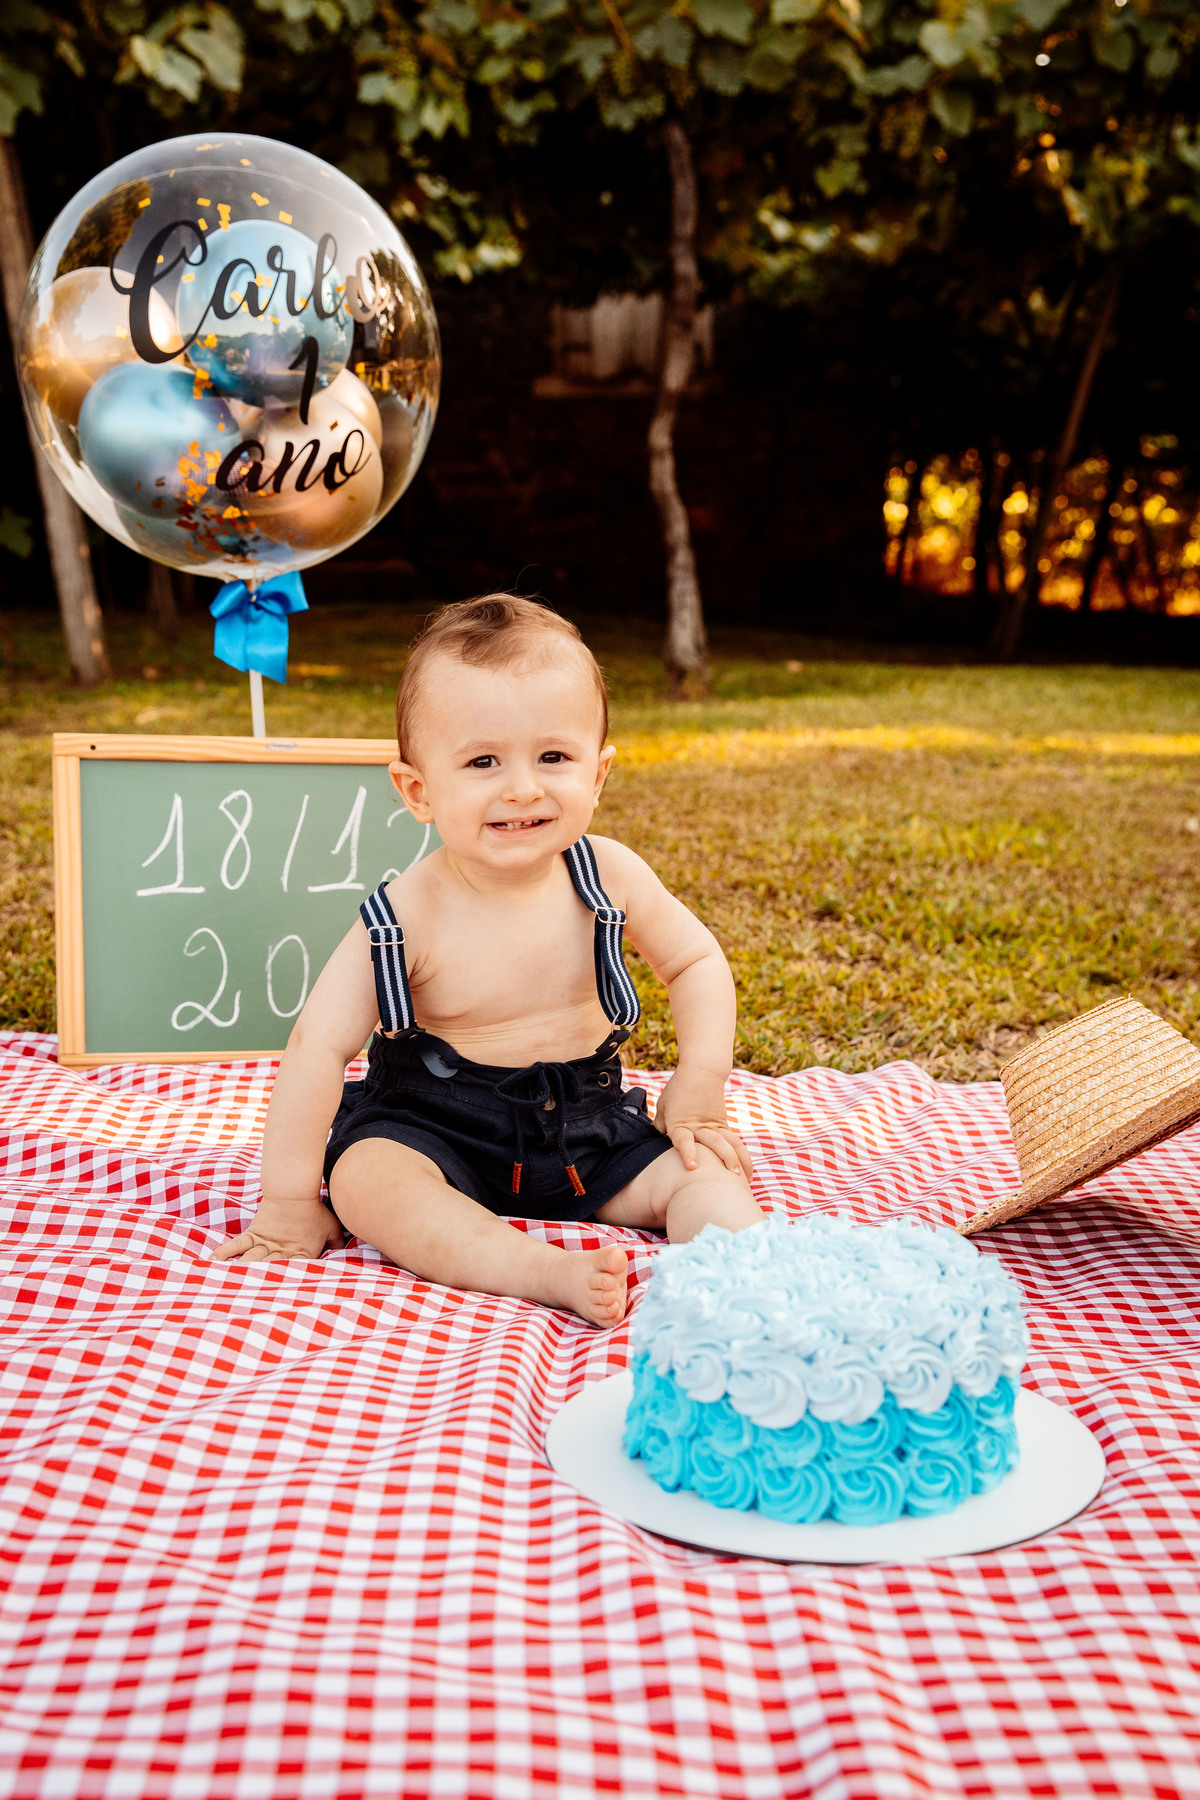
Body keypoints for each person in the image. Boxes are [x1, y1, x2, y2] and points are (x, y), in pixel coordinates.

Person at [214, 596, 765, 1325]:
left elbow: (694, 962)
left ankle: (757, 1280)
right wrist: (288, 1201)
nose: (523, 787)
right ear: (418, 790)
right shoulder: (403, 915)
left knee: (709, 1175)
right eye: (482, 761)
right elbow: (318, 1047)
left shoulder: (609, 875)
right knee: (367, 1182)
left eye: (554, 756)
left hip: (590, 1130)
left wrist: (699, 1081)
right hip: (438, 1132)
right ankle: (536, 1269)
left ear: (597, 776)